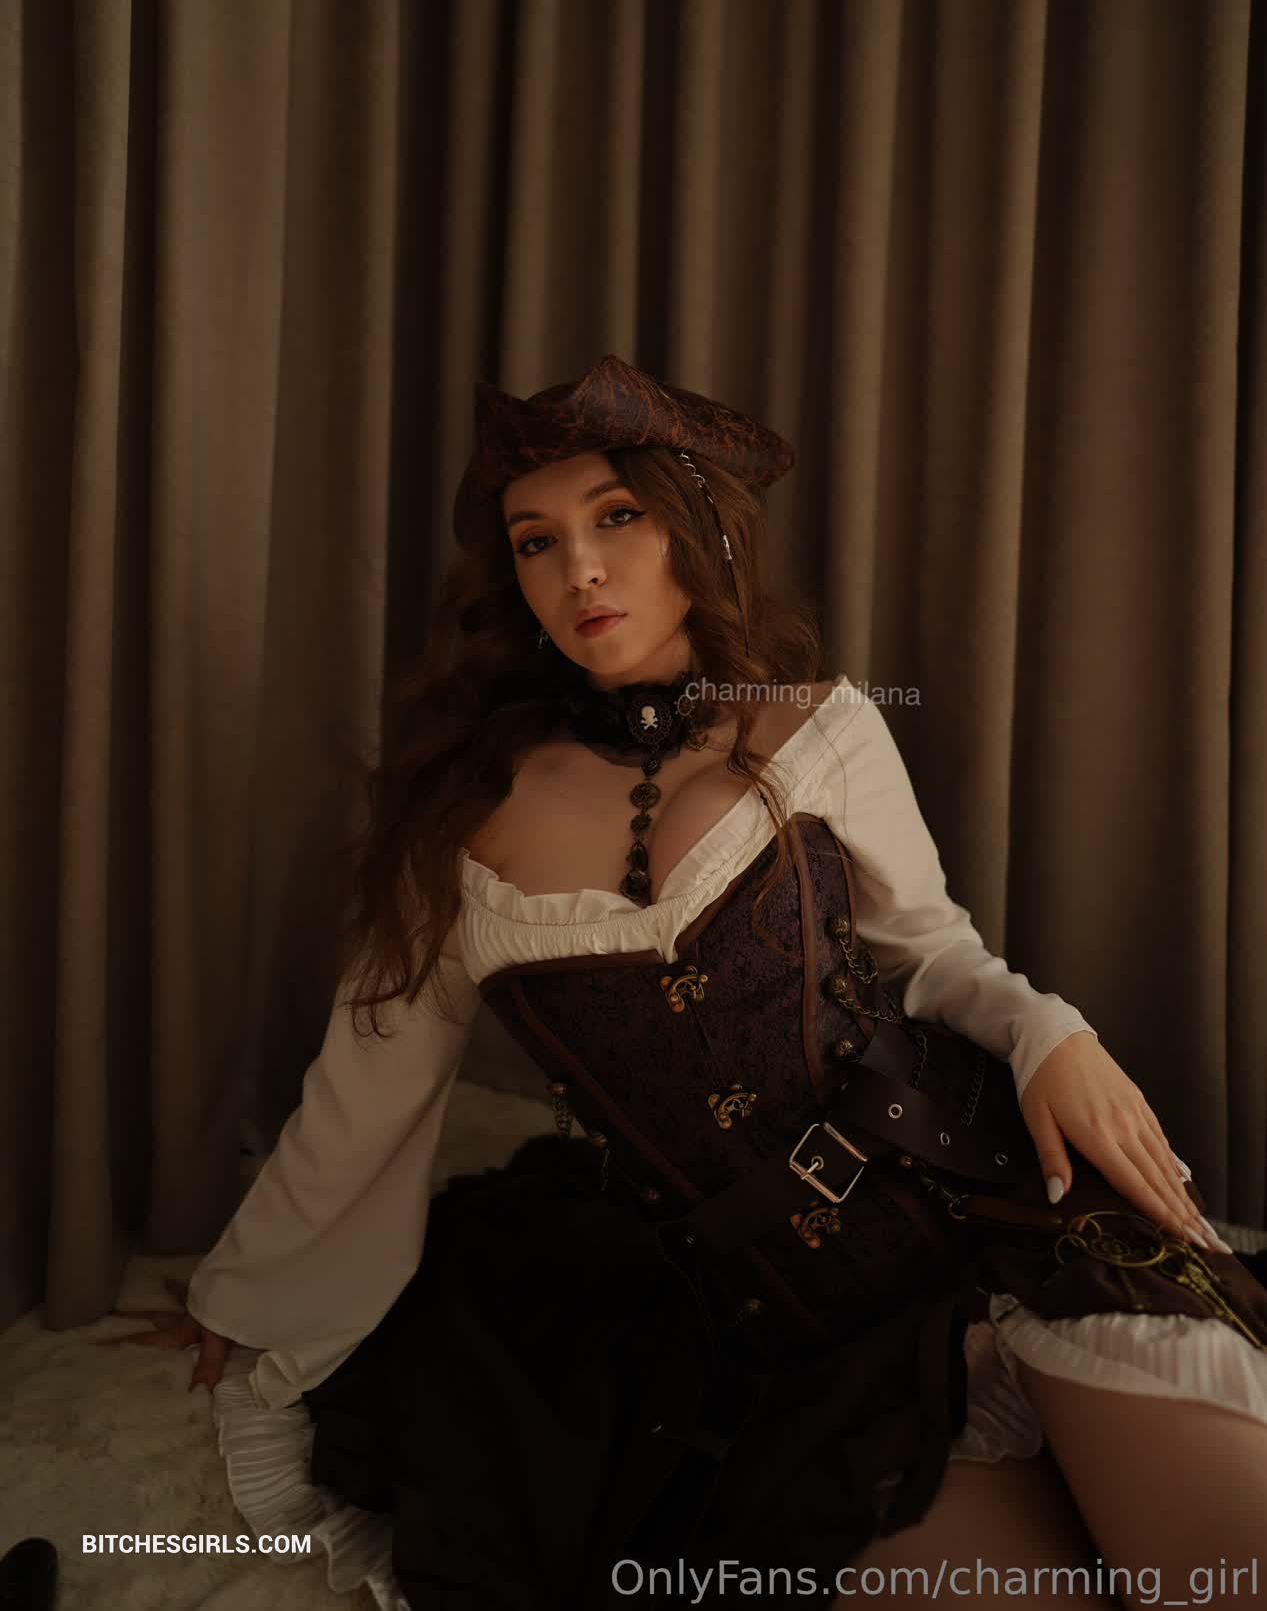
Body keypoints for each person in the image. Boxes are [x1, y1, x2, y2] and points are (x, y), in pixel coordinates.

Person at [100, 356, 1267, 1610]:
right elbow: (364, 1098)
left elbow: (933, 952)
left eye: (616, 517)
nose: (580, 570)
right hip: (810, 1355)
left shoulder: (815, 725)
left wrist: (1050, 1034)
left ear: (696, 525)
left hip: (1004, 1215)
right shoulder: (457, 830)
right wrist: (247, 1296)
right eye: (536, 540)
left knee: (1226, 1574)